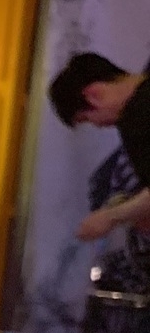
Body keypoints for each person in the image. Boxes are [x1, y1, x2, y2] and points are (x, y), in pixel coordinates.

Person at [48, 52, 150, 241]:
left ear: (93, 95)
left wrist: (110, 217)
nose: (97, 125)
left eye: (87, 119)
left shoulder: (135, 120)